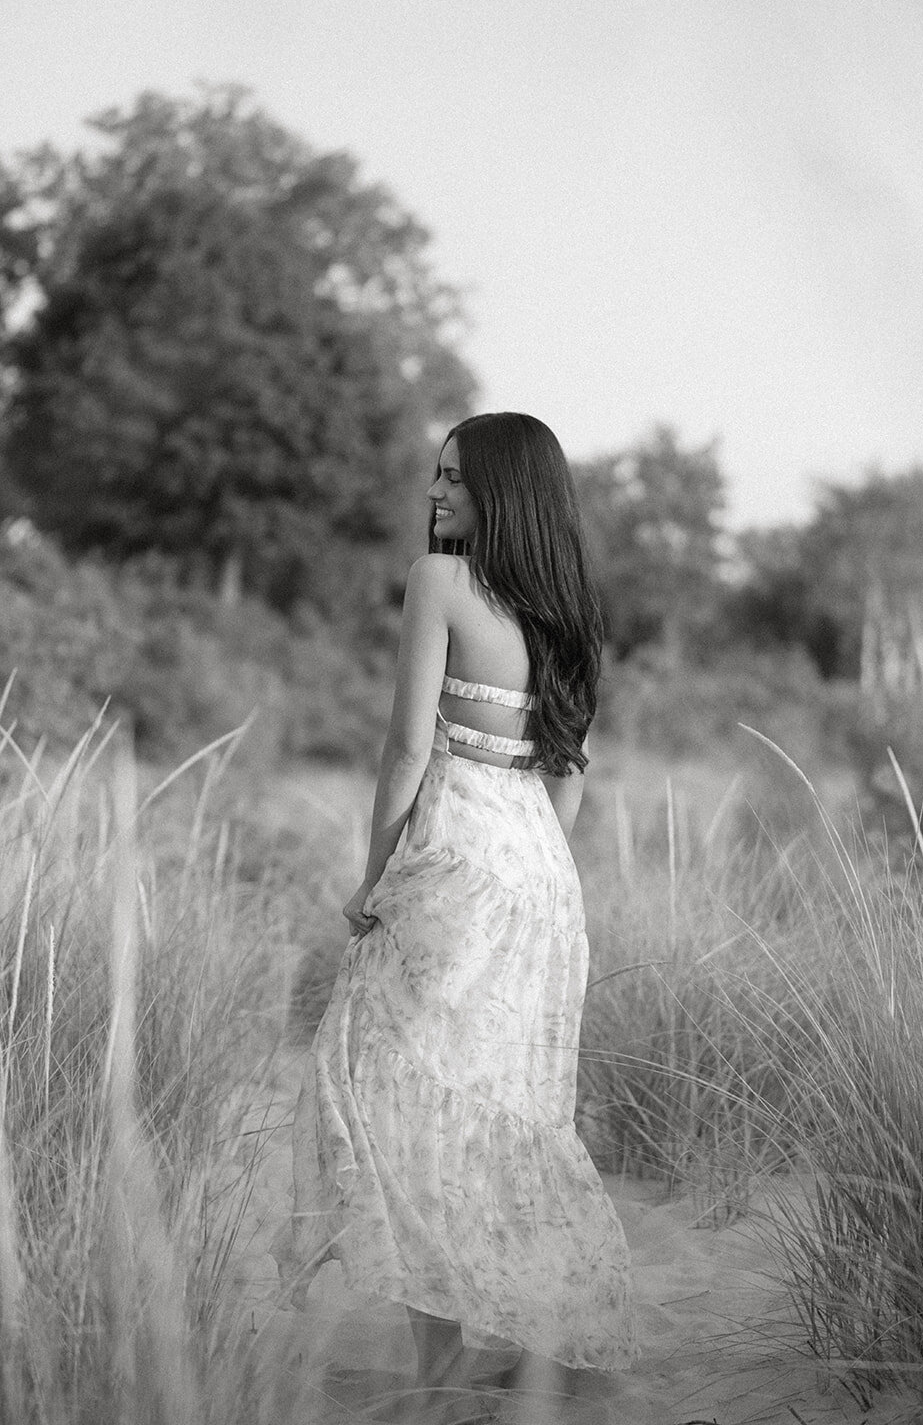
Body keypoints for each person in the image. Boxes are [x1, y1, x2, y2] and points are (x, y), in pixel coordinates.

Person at [271, 413, 637, 1416]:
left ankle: (443, 1366)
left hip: (456, 865)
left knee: (385, 1089)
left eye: (454, 482)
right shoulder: (565, 610)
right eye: (433, 478)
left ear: (502, 494)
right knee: (508, 1115)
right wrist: (538, 874)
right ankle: (521, 1347)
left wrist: (373, 874)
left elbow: (403, 748)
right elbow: (569, 770)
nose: (434, 497)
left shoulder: (438, 584)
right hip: (541, 885)